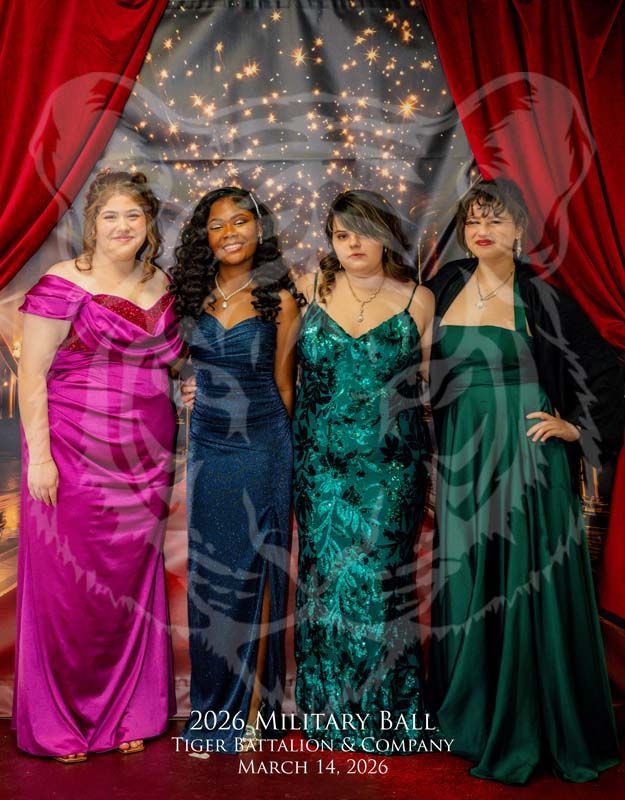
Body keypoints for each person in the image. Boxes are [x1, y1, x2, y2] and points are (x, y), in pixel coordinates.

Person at [426, 178, 623, 783]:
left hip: (528, 456)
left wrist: (577, 431)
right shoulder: (443, 286)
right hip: (463, 454)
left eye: (496, 218)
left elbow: (609, 372)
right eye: (473, 218)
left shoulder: (543, 296)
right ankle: (473, 719)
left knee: (523, 583)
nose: (482, 228)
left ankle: (532, 721)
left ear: (519, 230)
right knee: (468, 581)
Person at [15, 170, 183, 763]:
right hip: (74, 453)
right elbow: (30, 376)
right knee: (71, 588)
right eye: (110, 216)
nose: (122, 227)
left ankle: (130, 710)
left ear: (148, 224)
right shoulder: (62, 284)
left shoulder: (161, 280)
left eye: (133, 216)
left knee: (126, 588)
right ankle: (65, 719)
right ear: (92, 223)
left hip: (146, 461)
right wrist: (39, 458)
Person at [293, 190, 435, 749]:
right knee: (326, 582)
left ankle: (387, 712)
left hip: (391, 466)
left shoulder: (418, 299)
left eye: (364, 232)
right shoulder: (309, 287)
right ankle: (329, 711)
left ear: (386, 236)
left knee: (378, 582)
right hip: (320, 466)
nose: (353, 245)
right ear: (330, 241)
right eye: (341, 234)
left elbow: (433, 388)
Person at [171, 187, 303, 755]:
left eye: (240, 221)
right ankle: (210, 709)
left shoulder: (281, 298)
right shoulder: (190, 295)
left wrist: (284, 459)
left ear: (258, 229)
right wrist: (184, 388)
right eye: (217, 224)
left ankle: (250, 713)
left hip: (262, 446)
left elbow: (285, 385)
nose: (229, 232)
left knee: (256, 571)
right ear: (206, 236)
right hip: (207, 448)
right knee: (212, 580)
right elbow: (174, 366)